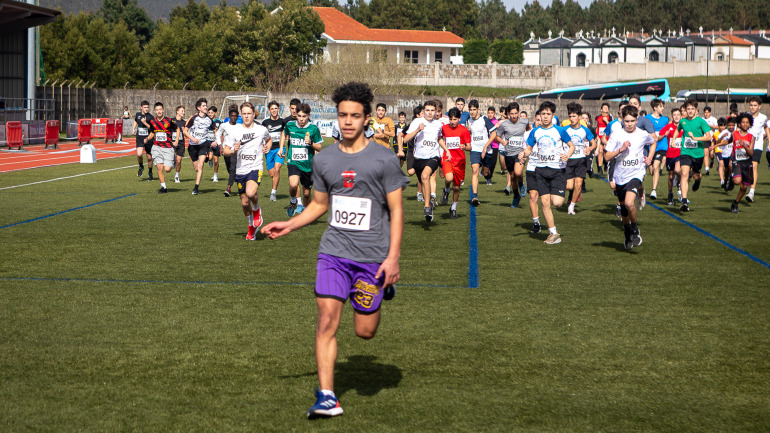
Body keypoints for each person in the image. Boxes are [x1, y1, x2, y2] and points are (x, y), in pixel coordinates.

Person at [261, 82, 408, 419]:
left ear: (367, 118)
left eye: (355, 115)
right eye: (343, 115)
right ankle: (327, 396)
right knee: (326, 320)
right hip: (333, 253)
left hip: (372, 257)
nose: (348, 121)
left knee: (364, 332)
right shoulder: (325, 159)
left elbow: (397, 210)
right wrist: (289, 224)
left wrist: (392, 258)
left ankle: (383, 288)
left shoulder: (384, 159)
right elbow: (318, 205)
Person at [522, 101, 574, 245]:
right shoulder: (535, 132)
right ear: (539, 115)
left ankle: (557, 194)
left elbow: (571, 145)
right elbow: (529, 149)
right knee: (545, 202)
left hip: (556, 171)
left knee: (557, 203)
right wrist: (523, 154)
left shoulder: (559, 130)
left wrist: (567, 155)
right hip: (540, 170)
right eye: (543, 114)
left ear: (553, 115)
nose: (545, 116)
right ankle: (553, 233)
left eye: (548, 114)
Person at [604, 104, 654, 250]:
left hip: (636, 173)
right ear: (622, 120)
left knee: (629, 203)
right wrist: (621, 149)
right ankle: (627, 234)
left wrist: (649, 158)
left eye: (632, 121)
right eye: (627, 121)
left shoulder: (642, 134)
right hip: (620, 176)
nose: (630, 124)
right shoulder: (616, 135)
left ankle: (635, 229)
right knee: (624, 211)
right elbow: (607, 156)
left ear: (637, 120)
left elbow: (653, 141)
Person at [222, 102, 271, 239]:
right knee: (244, 203)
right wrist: (233, 150)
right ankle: (251, 228)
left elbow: (269, 139)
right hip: (240, 170)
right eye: (244, 114)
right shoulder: (235, 131)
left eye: (249, 113)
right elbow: (225, 151)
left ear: (253, 114)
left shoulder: (261, 129)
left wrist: (267, 147)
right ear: (241, 115)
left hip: (255, 167)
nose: (247, 116)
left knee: (250, 192)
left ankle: (256, 210)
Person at [403, 100, 448, 222]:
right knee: (424, 183)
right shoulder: (417, 122)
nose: (430, 113)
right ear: (423, 111)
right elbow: (406, 139)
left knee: (425, 176)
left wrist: (446, 151)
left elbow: (439, 139)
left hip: (433, 157)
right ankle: (430, 206)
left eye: (432, 110)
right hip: (418, 158)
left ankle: (427, 206)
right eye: (427, 110)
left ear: (436, 111)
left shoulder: (438, 124)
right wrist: (418, 130)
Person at [279, 103, 324, 216]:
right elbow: (284, 133)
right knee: (293, 184)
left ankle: (306, 215)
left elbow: (320, 147)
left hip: (308, 165)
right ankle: (293, 201)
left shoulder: (313, 129)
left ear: (308, 116)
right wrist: (281, 147)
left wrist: (311, 143)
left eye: (304, 116)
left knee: (307, 194)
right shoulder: (290, 125)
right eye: (299, 116)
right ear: (296, 115)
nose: (301, 119)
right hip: (293, 161)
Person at [677, 98, 713, 212]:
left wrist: (695, 138)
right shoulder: (683, 121)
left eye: (692, 108)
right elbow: (678, 130)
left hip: (698, 153)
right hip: (685, 151)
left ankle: (698, 180)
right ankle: (684, 201)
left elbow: (708, 137)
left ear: (696, 110)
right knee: (684, 174)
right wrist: (673, 140)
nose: (690, 111)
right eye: (688, 109)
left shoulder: (701, 122)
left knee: (696, 175)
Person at [563, 103, 596, 215]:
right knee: (569, 186)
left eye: (574, 116)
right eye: (570, 116)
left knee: (578, 184)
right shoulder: (565, 129)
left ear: (580, 117)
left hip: (581, 159)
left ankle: (571, 206)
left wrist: (589, 149)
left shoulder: (585, 130)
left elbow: (594, 143)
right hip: (569, 160)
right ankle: (574, 192)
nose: (572, 119)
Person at [495, 102, 528, 208]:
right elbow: (497, 136)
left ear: (518, 112)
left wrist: (527, 145)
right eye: (511, 114)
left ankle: (521, 184)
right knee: (513, 176)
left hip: (520, 153)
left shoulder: (524, 122)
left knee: (518, 173)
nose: (513, 116)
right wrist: (502, 142)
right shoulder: (504, 124)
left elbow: (529, 131)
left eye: (515, 113)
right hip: (509, 154)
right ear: (508, 114)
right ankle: (516, 196)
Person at [440, 107, 471, 218]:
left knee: (457, 188)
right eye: (451, 119)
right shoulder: (444, 128)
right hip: (448, 158)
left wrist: (465, 147)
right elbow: (439, 139)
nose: (452, 122)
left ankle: (453, 208)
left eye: (455, 119)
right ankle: (446, 190)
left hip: (460, 162)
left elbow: (469, 147)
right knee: (449, 178)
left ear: (459, 119)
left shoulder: (464, 130)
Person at [466, 100, 497, 206]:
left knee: (485, 172)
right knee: (474, 170)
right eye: (470, 110)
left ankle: (487, 175)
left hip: (487, 150)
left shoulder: (484, 119)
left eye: (474, 109)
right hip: (475, 150)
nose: (472, 112)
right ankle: (475, 196)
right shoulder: (468, 121)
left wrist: (485, 147)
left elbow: (493, 134)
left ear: (478, 110)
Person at [184, 98, 216, 195]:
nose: (206, 107)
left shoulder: (209, 119)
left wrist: (216, 140)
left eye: (206, 105)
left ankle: (196, 188)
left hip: (203, 144)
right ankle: (206, 157)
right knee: (196, 168)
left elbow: (215, 130)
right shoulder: (193, 118)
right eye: (203, 106)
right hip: (193, 146)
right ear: (198, 108)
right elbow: (185, 131)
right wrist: (193, 139)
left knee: (200, 165)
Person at [146, 102, 179, 194]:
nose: (159, 111)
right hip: (157, 147)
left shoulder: (169, 121)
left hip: (168, 147)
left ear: (163, 110)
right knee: (159, 167)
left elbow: (177, 129)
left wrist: (176, 141)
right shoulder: (153, 121)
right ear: (154, 111)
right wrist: (147, 138)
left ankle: (173, 160)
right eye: (157, 110)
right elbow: (152, 132)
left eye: (160, 109)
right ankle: (163, 187)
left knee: (167, 169)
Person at [730, 113, 756, 213]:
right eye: (743, 122)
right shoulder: (735, 134)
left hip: (747, 163)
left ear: (750, 124)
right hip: (737, 161)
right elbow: (729, 141)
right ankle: (731, 179)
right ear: (739, 124)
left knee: (744, 186)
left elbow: (751, 153)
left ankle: (735, 203)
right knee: (737, 181)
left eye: (747, 122)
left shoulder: (751, 137)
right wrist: (716, 145)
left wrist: (744, 146)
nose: (745, 124)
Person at [658, 107, 684, 206]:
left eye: (678, 115)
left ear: (681, 116)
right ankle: (670, 193)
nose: (676, 117)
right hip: (670, 155)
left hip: (681, 154)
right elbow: (658, 138)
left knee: (678, 170)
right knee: (671, 176)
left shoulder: (684, 126)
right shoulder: (668, 127)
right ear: (672, 116)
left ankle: (679, 186)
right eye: (674, 115)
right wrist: (664, 135)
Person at [261, 101, 287, 202]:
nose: (274, 110)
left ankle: (273, 193)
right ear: (269, 110)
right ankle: (274, 188)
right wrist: (263, 146)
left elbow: (285, 134)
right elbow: (261, 136)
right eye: (272, 109)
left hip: (279, 149)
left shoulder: (283, 121)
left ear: (278, 109)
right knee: (272, 174)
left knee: (277, 169)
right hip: (269, 150)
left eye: (275, 108)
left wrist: (282, 147)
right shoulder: (265, 122)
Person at [746, 96, 769, 202]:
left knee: (754, 166)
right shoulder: (745, 116)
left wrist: (769, 140)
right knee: (746, 168)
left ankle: (751, 192)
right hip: (745, 146)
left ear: (759, 106)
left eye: (755, 105)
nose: (753, 107)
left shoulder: (763, 117)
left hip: (757, 146)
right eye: (751, 105)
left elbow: (766, 127)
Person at [646, 98, 670, 199]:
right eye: (660, 106)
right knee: (652, 171)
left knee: (656, 167)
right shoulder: (647, 118)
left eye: (663, 106)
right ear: (655, 108)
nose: (663, 108)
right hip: (650, 147)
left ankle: (654, 190)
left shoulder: (665, 120)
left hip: (661, 146)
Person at [217, 105, 241, 197]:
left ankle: (228, 188)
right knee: (230, 169)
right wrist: (220, 146)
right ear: (229, 116)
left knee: (233, 168)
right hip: (226, 151)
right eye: (232, 116)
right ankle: (239, 183)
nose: (234, 117)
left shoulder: (240, 127)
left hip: (235, 151)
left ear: (237, 117)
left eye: (235, 116)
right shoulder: (224, 125)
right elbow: (218, 134)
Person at [524, 111, 541, 232]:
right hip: (531, 168)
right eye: (538, 120)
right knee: (533, 196)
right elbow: (524, 149)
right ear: (534, 119)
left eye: (542, 120)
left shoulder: (552, 133)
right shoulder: (527, 134)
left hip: (546, 169)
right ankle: (536, 223)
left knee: (547, 200)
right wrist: (522, 157)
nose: (540, 122)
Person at [134, 100, 154, 180]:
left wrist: (145, 123)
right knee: (139, 154)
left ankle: (150, 172)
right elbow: (135, 121)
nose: (146, 109)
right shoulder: (138, 114)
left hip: (148, 138)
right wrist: (133, 129)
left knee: (149, 158)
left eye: (147, 107)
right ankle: (141, 166)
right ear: (141, 107)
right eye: (145, 107)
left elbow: (152, 128)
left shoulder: (150, 117)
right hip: (139, 138)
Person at [482, 106, 500, 184]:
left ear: (494, 114)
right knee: (484, 161)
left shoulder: (496, 122)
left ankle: (489, 177)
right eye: (489, 113)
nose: (490, 114)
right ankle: (485, 173)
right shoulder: (485, 121)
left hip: (495, 145)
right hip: (486, 144)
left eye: (491, 113)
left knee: (493, 163)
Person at [595, 102, 612, 175]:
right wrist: (596, 135)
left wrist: (606, 121)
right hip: (600, 137)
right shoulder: (598, 117)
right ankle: (600, 169)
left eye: (607, 108)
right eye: (604, 107)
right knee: (600, 151)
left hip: (607, 137)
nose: (606, 109)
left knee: (606, 152)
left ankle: (606, 163)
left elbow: (611, 126)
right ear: (601, 109)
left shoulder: (610, 117)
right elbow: (598, 126)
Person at [206, 106, 222, 182]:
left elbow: (221, 133)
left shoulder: (219, 122)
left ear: (215, 113)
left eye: (212, 113)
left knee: (216, 161)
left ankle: (215, 175)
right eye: (209, 112)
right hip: (208, 142)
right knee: (210, 157)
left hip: (216, 142)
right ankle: (210, 160)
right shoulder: (206, 121)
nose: (210, 114)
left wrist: (216, 141)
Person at [172, 106, 186, 183]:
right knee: (172, 158)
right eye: (182, 111)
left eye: (184, 111)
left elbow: (187, 134)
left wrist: (185, 131)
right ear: (177, 112)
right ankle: (173, 159)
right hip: (172, 143)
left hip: (181, 143)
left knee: (179, 160)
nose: (183, 112)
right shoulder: (172, 121)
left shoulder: (184, 123)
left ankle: (177, 176)